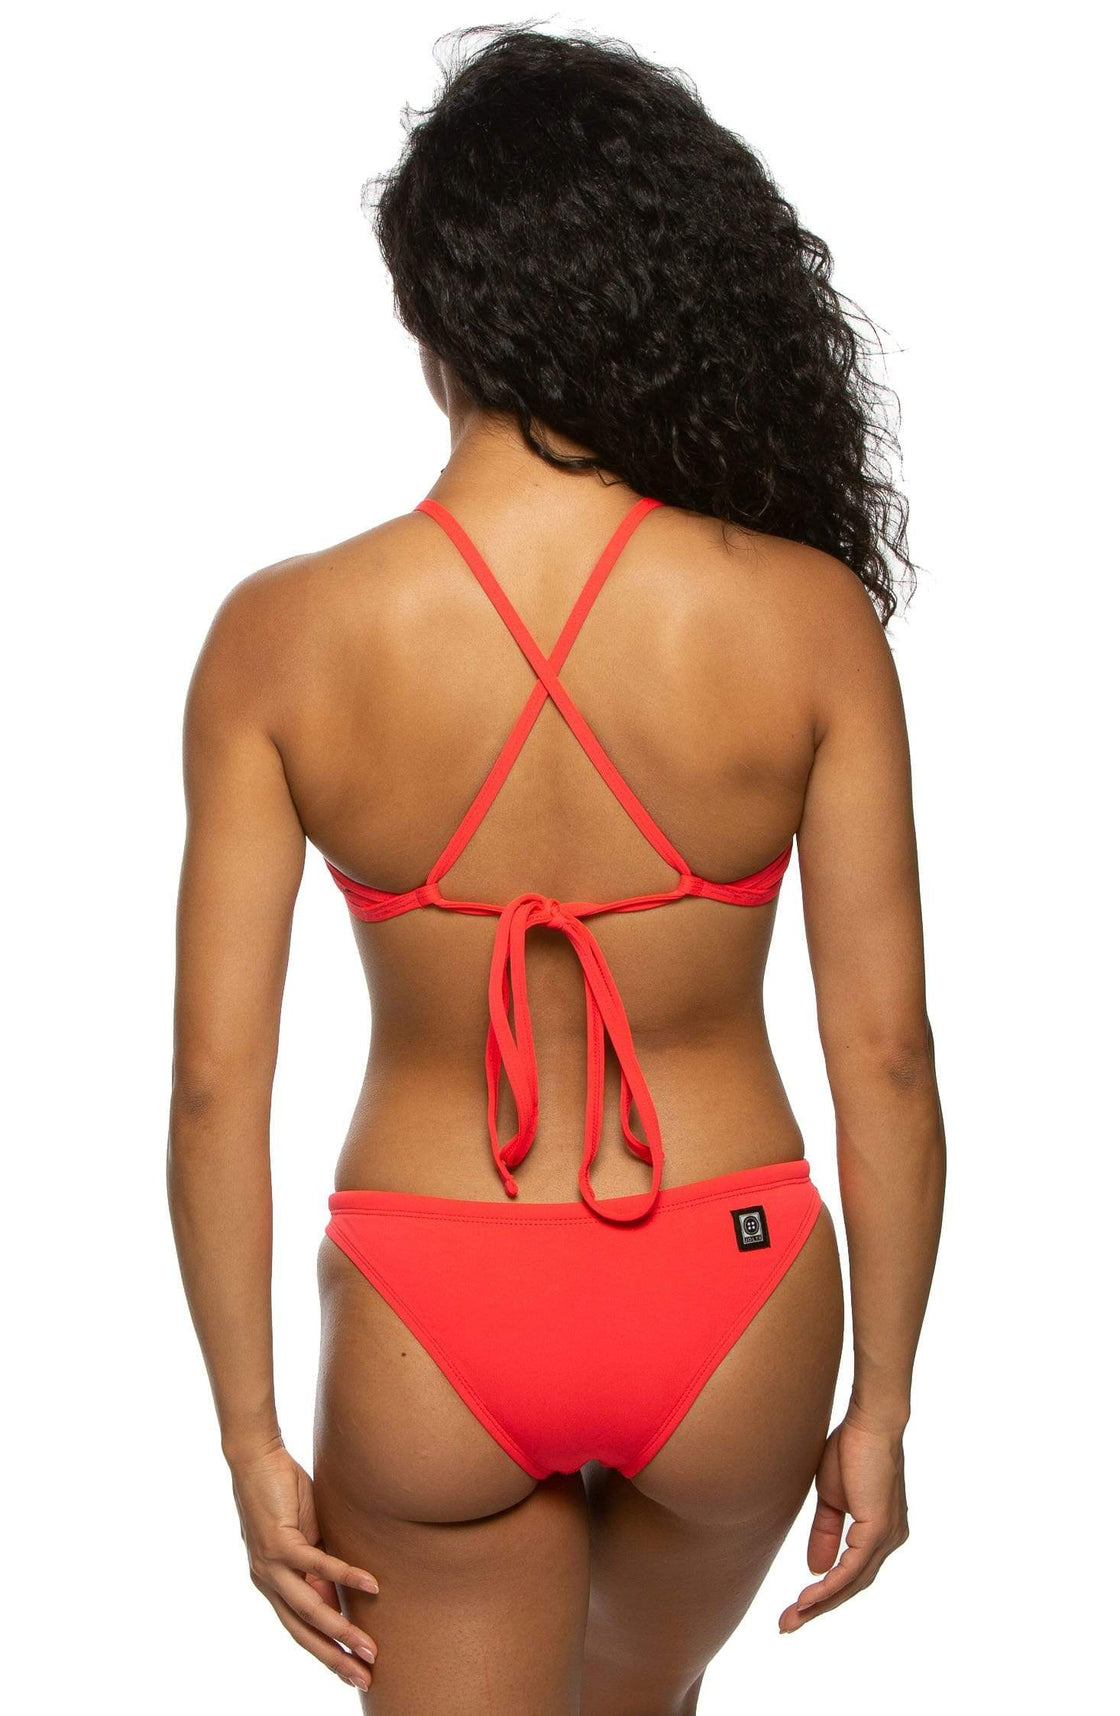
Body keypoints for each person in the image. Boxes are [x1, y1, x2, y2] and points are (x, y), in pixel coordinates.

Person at [167, 24, 945, 1713]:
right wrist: (882, 1402)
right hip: (732, 1285)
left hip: (433, 1301)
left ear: (432, 313)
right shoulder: (806, 618)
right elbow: (887, 1054)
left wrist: (247, 1437)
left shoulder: (283, 638)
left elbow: (220, 1085)